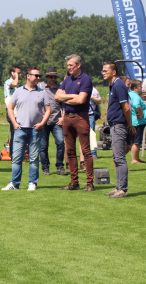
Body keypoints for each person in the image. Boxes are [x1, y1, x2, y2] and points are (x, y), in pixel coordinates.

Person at [1, 66, 51, 191]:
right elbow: (11, 108)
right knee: (17, 158)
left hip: (35, 130)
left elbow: (48, 110)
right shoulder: (18, 91)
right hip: (20, 129)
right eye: (36, 75)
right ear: (28, 76)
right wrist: (14, 123)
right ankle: (14, 183)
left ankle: (32, 183)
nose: (39, 78)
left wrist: (42, 123)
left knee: (34, 158)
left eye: (39, 76)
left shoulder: (42, 92)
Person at [55, 54, 94, 191]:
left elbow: (81, 100)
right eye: (67, 65)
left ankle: (89, 183)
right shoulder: (67, 80)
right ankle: (74, 182)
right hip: (67, 117)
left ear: (78, 65)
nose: (69, 68)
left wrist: (65, 98)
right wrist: (72, 96)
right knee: (70, 151)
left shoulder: (85, 79)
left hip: (81, 117)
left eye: (71, 65)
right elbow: (57, 96)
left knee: (85, 151)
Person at [102, 62, 136, 198]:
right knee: (116, 157)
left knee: (120, 158)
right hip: (114, 125)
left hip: (119, 125)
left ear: (114, 72)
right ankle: (118, 187)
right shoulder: (113, 85)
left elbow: (126, 108)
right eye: (102, 71)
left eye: (106, 71)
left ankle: (123, 189)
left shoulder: (118, 85)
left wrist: (129, 126)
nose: (103, 73)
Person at [38, 66, 67, 176]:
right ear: (47, 77)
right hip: (43, 121)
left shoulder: (60, 88)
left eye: (54, 77)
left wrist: (63, 117)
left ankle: (60, 166)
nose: (53, 79)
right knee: (43, 146)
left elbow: (64, 104)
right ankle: (45, 168)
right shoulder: (40, 87)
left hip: (56, 121)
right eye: (50, 77)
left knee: (60, 142)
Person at [128, 80, 146, 164]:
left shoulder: (130, 94)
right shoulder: (135, 96)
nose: (141, 88)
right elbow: (136, 105)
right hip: (138, 121)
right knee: (137, 141)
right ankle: (134, 159)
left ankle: (137, 158)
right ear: (135, 88)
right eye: (140, 86)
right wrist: (140, 113)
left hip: (133, 120)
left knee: (135, 141)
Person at [4, 66, 22, 158]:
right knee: (14, 134)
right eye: (18, 73)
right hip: (12, 112)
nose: (20, 75)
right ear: (12, 73)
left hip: (18, 112)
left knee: (19, 134)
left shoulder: (17, 84)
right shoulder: (9, 82)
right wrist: (16, 77)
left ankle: (19, 153)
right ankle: (13, 155)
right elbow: (13, 85)